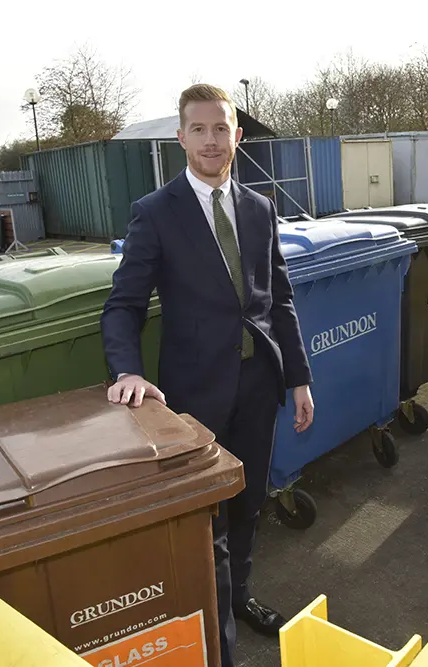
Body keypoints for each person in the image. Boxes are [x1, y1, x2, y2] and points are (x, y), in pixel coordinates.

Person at [100, 84, 315, 667]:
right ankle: (214, 635)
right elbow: (123, 306)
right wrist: (128, 372)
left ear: (236, 135)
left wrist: (298, 377)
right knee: (206, 520)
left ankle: (239, 597)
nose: (211, 140)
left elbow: (281, 301)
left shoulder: (260, 208)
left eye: (221, 129)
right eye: (199, 130)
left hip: (257, 385)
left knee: (246, 504)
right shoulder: (156, 212)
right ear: (181, 139)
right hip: (192, 395)